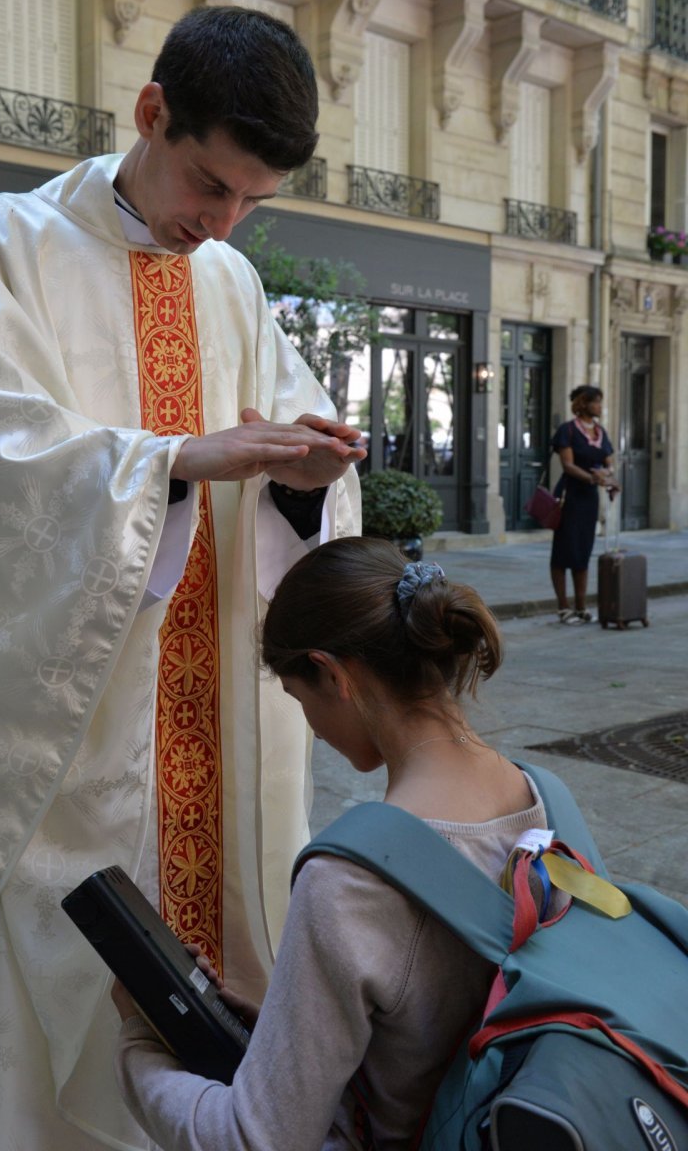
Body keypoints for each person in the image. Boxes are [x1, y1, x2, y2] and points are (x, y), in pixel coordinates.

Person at [0, 6, 362, 1150]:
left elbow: (288, 491)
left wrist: (303, 475)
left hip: (220, 734)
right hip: (74, 745)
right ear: (151, 112)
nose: (225, 222)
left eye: (253, 201)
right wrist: (170, 466)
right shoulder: (7, 243)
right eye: (211, 184)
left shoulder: (232, 287)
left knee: (209, 1008)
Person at [112, 536, 562, 1150]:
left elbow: (253, 1139)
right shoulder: (546, 801)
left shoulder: (352, 881)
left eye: (300, 699)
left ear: (331, 673)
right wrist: (285, 1029)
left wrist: (141, 1042)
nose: (313, 730)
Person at [549, 385, 620, 625]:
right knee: (563, 552)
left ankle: (581, 606)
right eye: (596, 402)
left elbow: (609, 461)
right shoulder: (568, 431)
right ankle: (563, 607)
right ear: (583, 404)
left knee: (583, 551)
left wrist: (608, 476)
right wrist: (593, 477)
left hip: (589, 498)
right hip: (569, 497)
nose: (600, 406)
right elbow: (567, 465)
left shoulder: (600, 432)